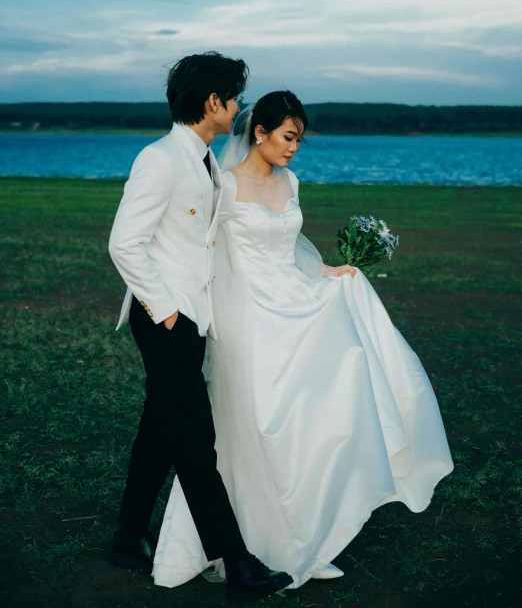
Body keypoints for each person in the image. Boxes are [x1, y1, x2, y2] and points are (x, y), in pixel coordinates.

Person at [152, 90, 454, 591]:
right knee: (258, 421)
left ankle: (310, 537)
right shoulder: (221, 186)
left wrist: (327, 271)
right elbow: (200, 251)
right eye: (288, 137)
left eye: (300, 140)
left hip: (293, 299)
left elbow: (291, 247)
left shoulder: (290, 181)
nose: (294, 148)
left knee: (319, 407)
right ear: (261, 132)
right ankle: (250, 541)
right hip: (246, 313)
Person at [108, 55, 293, 599]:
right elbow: (124, 242)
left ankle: (127, 536)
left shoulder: (206, 161)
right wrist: (166, 310)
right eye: (233, 99)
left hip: (190, 319)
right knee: (194, 440)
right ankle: (237, 562)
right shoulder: (161, 159)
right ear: (212, 103)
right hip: (165, 318)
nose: (238, 108)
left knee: (160, 432)